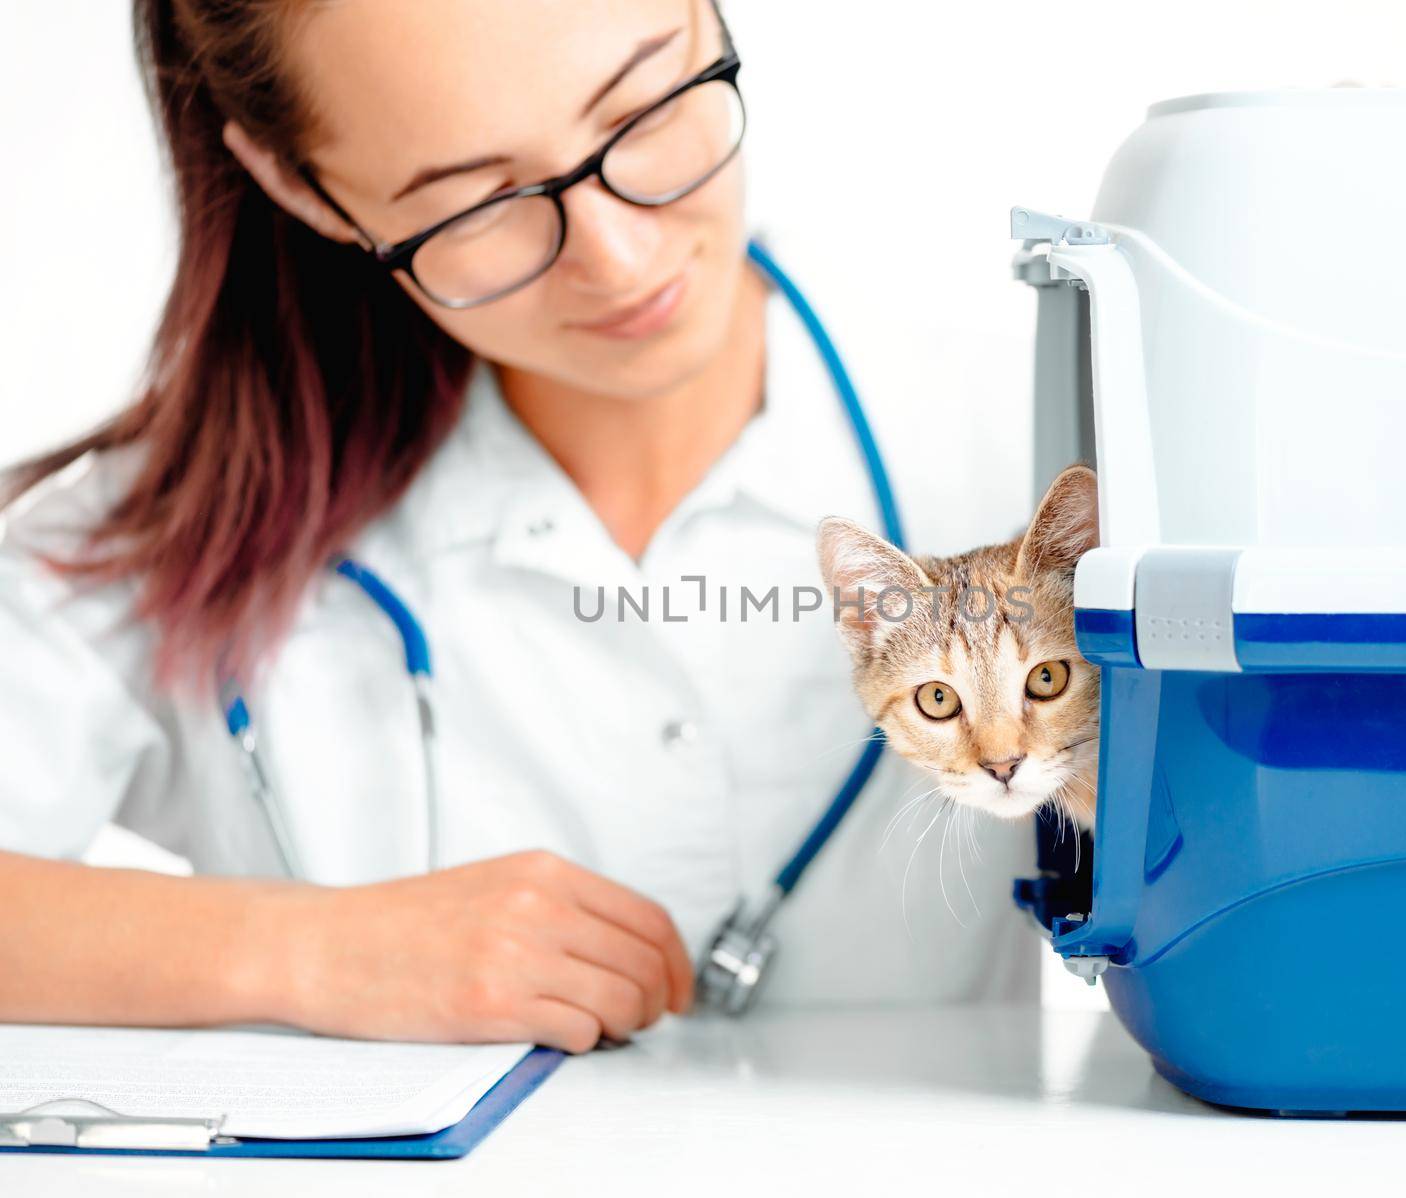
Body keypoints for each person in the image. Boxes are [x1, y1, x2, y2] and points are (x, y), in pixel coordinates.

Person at [0, 0, 1036, 1052]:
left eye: (643, 107)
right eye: (476, 203)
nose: (623, 260)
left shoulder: (1028, 446)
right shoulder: (162, 531)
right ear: (293, 182)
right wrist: (312, 950)